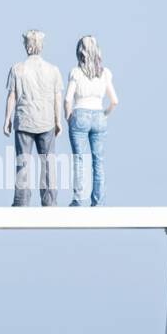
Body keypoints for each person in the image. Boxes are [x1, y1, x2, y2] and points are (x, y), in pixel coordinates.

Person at [3, 30, 64, 206]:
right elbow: (57, 97)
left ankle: (21, 200)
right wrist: (58, 120)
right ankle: (49, 200)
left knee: (23, 162)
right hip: (47, 121)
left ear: (26, 45)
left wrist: (7, 119)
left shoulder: (17, 68)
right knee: (48, 163)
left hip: (24, 120)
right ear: (41, 46)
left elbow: (12, 96)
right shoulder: (53, 70)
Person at [65, 35, 117, 206]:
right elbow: (115, 101)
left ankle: (79, 200)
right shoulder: (105, 74)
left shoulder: (76, 73)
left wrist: (68, 117)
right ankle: (98, 201)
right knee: (98, 161)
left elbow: (67, 99)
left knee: (79, 159)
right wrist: (105, 114)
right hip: (99, 116)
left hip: (79, 114)